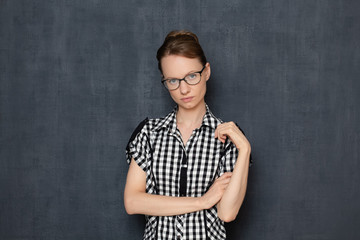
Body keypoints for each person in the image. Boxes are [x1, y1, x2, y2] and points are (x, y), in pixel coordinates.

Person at [124, 30, 252, 240]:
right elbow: (132, 202)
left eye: (192, 76)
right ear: (165, 82)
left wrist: (245, 149)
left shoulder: (229, 138)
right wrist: (202, 201)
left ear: (207, 71)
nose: (184, 89)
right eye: (173, 81)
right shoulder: (149, 133)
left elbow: (227, 212)